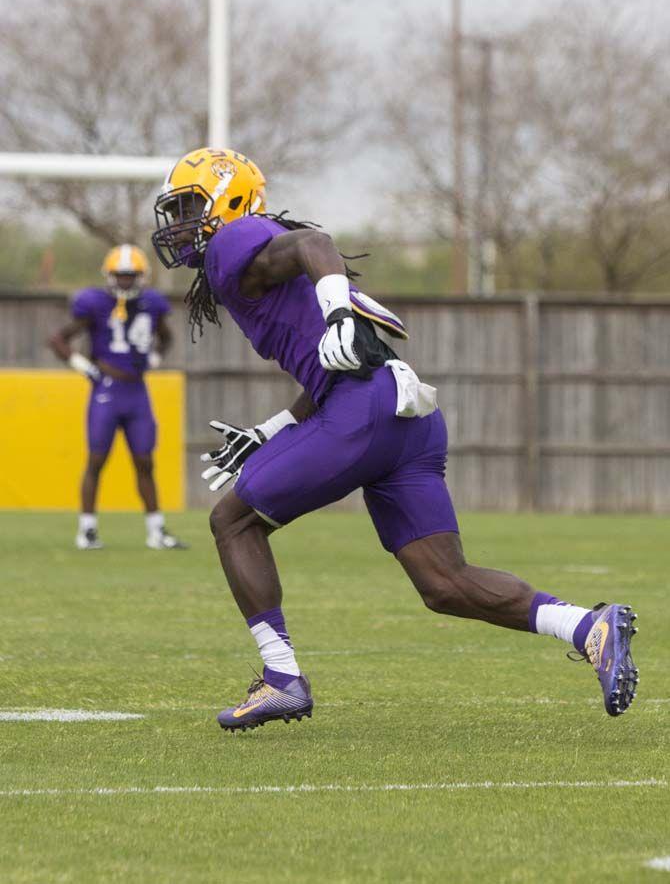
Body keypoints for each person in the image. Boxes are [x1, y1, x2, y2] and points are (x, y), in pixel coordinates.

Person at [152, 147, 638, 732]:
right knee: (445, 583)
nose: (179, 223)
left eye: (188, 206)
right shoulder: (250, 259)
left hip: (364, 410)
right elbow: (336, 363)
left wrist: (333, 315)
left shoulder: (235, 242)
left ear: (228, 202)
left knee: (233, 521)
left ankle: (281, 677)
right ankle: (590, 627)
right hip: (403, 413)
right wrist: (273, 430)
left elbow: (316, 244)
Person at [49, 244, 187, 551]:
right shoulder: (94, 303)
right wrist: (84, 366)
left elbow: (167, 338)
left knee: (145, 461)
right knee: (97, 460)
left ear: (141, 276)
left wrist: (154, 359)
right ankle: (87, 530)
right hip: (107, 390)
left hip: (137, 390)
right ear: (109, 276)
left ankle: (157, 531)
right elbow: (58, 339)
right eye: (120, 275)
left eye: (131, 275)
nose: (125, 281)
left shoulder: (152, 303)